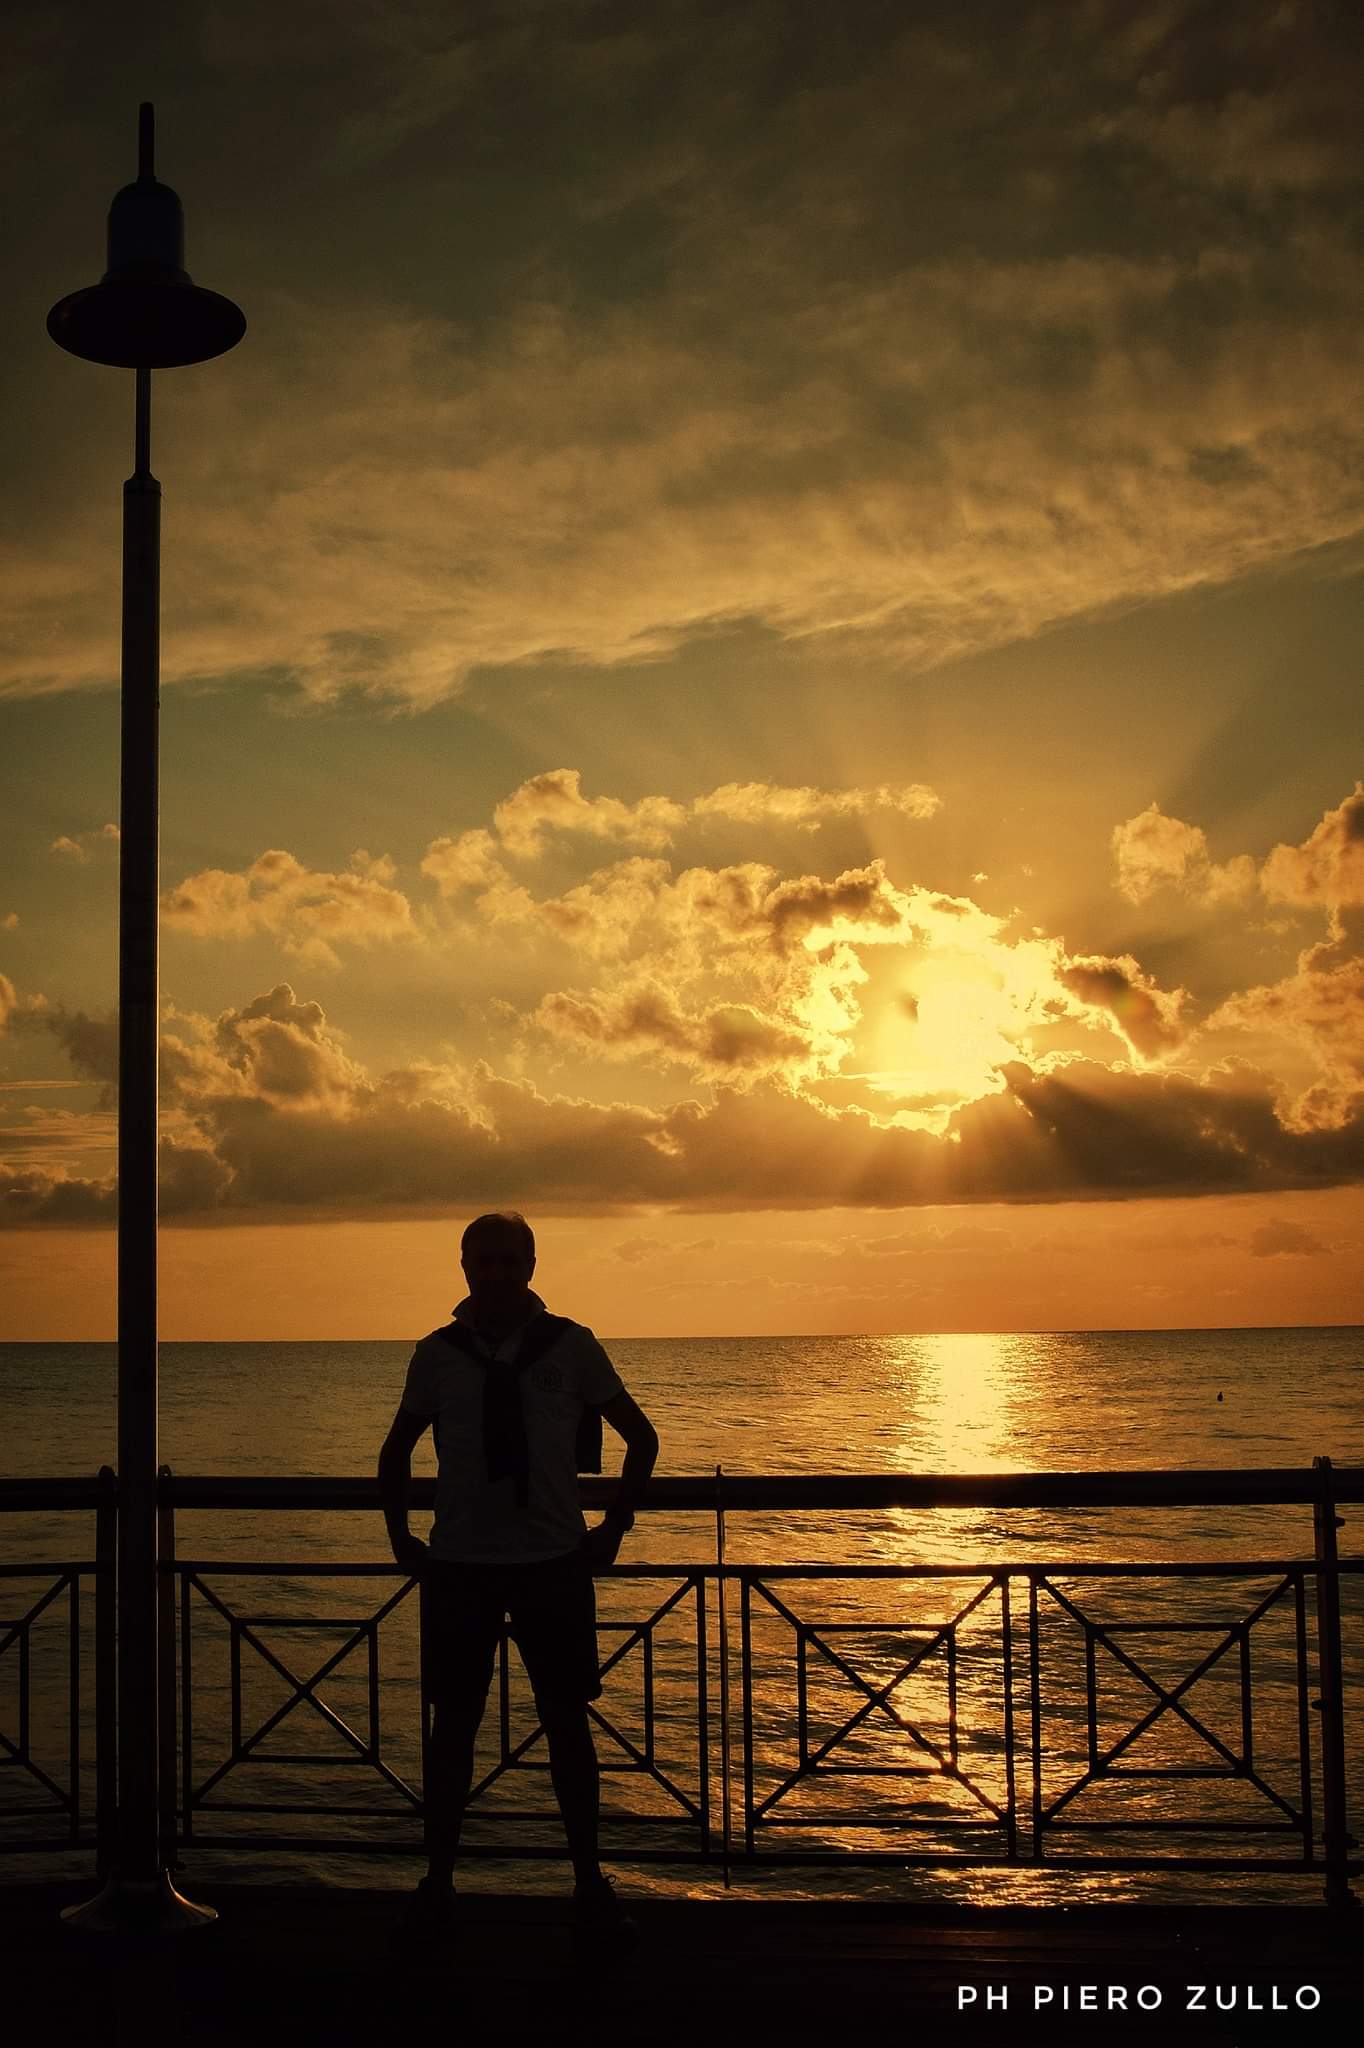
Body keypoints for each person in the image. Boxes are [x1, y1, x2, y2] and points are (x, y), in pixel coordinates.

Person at [377, 1211, 659, 1948]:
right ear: (465, 1267)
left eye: (510, 1260)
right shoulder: (436, 1355)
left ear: (532, 1266)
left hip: (552, 1565)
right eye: (485, 1261)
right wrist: (400, 1537)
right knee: (453, 1730)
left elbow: (641, 1438)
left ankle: (588, 1884)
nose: (497, 1273)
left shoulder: (572, 1346)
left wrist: (615, 1528)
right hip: (461, 1567)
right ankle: (438, 1883)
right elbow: (396, 1450)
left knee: (567, 1727)